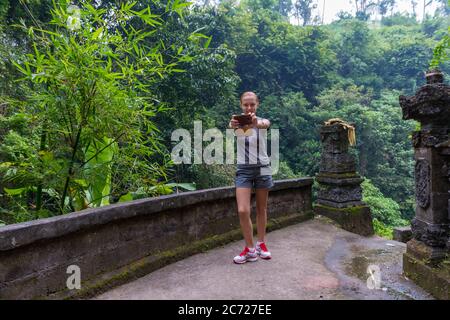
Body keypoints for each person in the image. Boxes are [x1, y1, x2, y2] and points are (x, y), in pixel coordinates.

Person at [228, 91, 274, 264]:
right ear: (241, 105)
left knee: (262, 209)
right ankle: (250, 248)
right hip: (244, 169)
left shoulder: (262, 121)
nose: (249, 108)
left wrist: (256, 123)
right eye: (246, 104)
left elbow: (265, 124)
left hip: (262, 167)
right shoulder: (236, 123)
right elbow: (233, 126)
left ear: (257, 104)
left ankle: (261, 243)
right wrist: (235, 125)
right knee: (243, 210)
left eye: (252, 104)